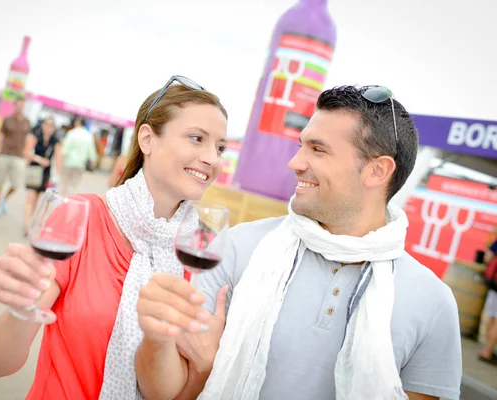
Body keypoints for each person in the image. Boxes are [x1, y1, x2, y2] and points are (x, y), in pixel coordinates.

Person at [135, 85, 463, 400]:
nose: (295, 163)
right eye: (301, 145)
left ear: (377, 171)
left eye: (318, 149)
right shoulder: (236, 247)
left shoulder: (433, 303)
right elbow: (164, 392)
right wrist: (158, 338)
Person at [0, 76, 229, 399]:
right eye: (197, 138)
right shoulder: (81, 217)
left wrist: (176, 346)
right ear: (147, 139)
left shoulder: (202, 252)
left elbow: (167, 394)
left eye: (220, 147)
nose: (213, 158)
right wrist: (21, 304)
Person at [22, 116, 63, 235]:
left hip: (45, 173)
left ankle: (29, 222)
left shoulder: (55, 141)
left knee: (36, 199)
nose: (48, 127)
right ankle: (26, 225)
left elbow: (58, 158)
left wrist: (59, 176)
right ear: (42, 125)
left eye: (51, 125)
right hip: (34, 170)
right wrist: (38, 159)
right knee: (30, 198)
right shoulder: (36, 137)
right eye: (47, 124)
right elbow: (26, 151)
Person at [0, 98, 32, 217]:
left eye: (22, 106)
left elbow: (28, 139)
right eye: (18, 105)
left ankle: (5, 198)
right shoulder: (7, 120)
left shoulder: (27, 122)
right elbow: (0, 136)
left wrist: (28, 154)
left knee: (16, 184)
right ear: (14, 106)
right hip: (4, 153)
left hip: (18, 156)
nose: (19, 108)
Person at [60, 116, 97, 197]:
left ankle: (62, 202)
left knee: (64, 183)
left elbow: (65, 149)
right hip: (80, 164)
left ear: (78, 123)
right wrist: (93, 161)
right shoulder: (88, 136)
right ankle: (70, 202)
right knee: (74, 185)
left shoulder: (71, 133)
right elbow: (91, 151)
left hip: (68, 162)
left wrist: (60, 162)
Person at [479, 237, 497, 365]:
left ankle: (487, 349)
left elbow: (488, 257)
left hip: (494, 283)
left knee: (492, 316)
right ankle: (487, 351)